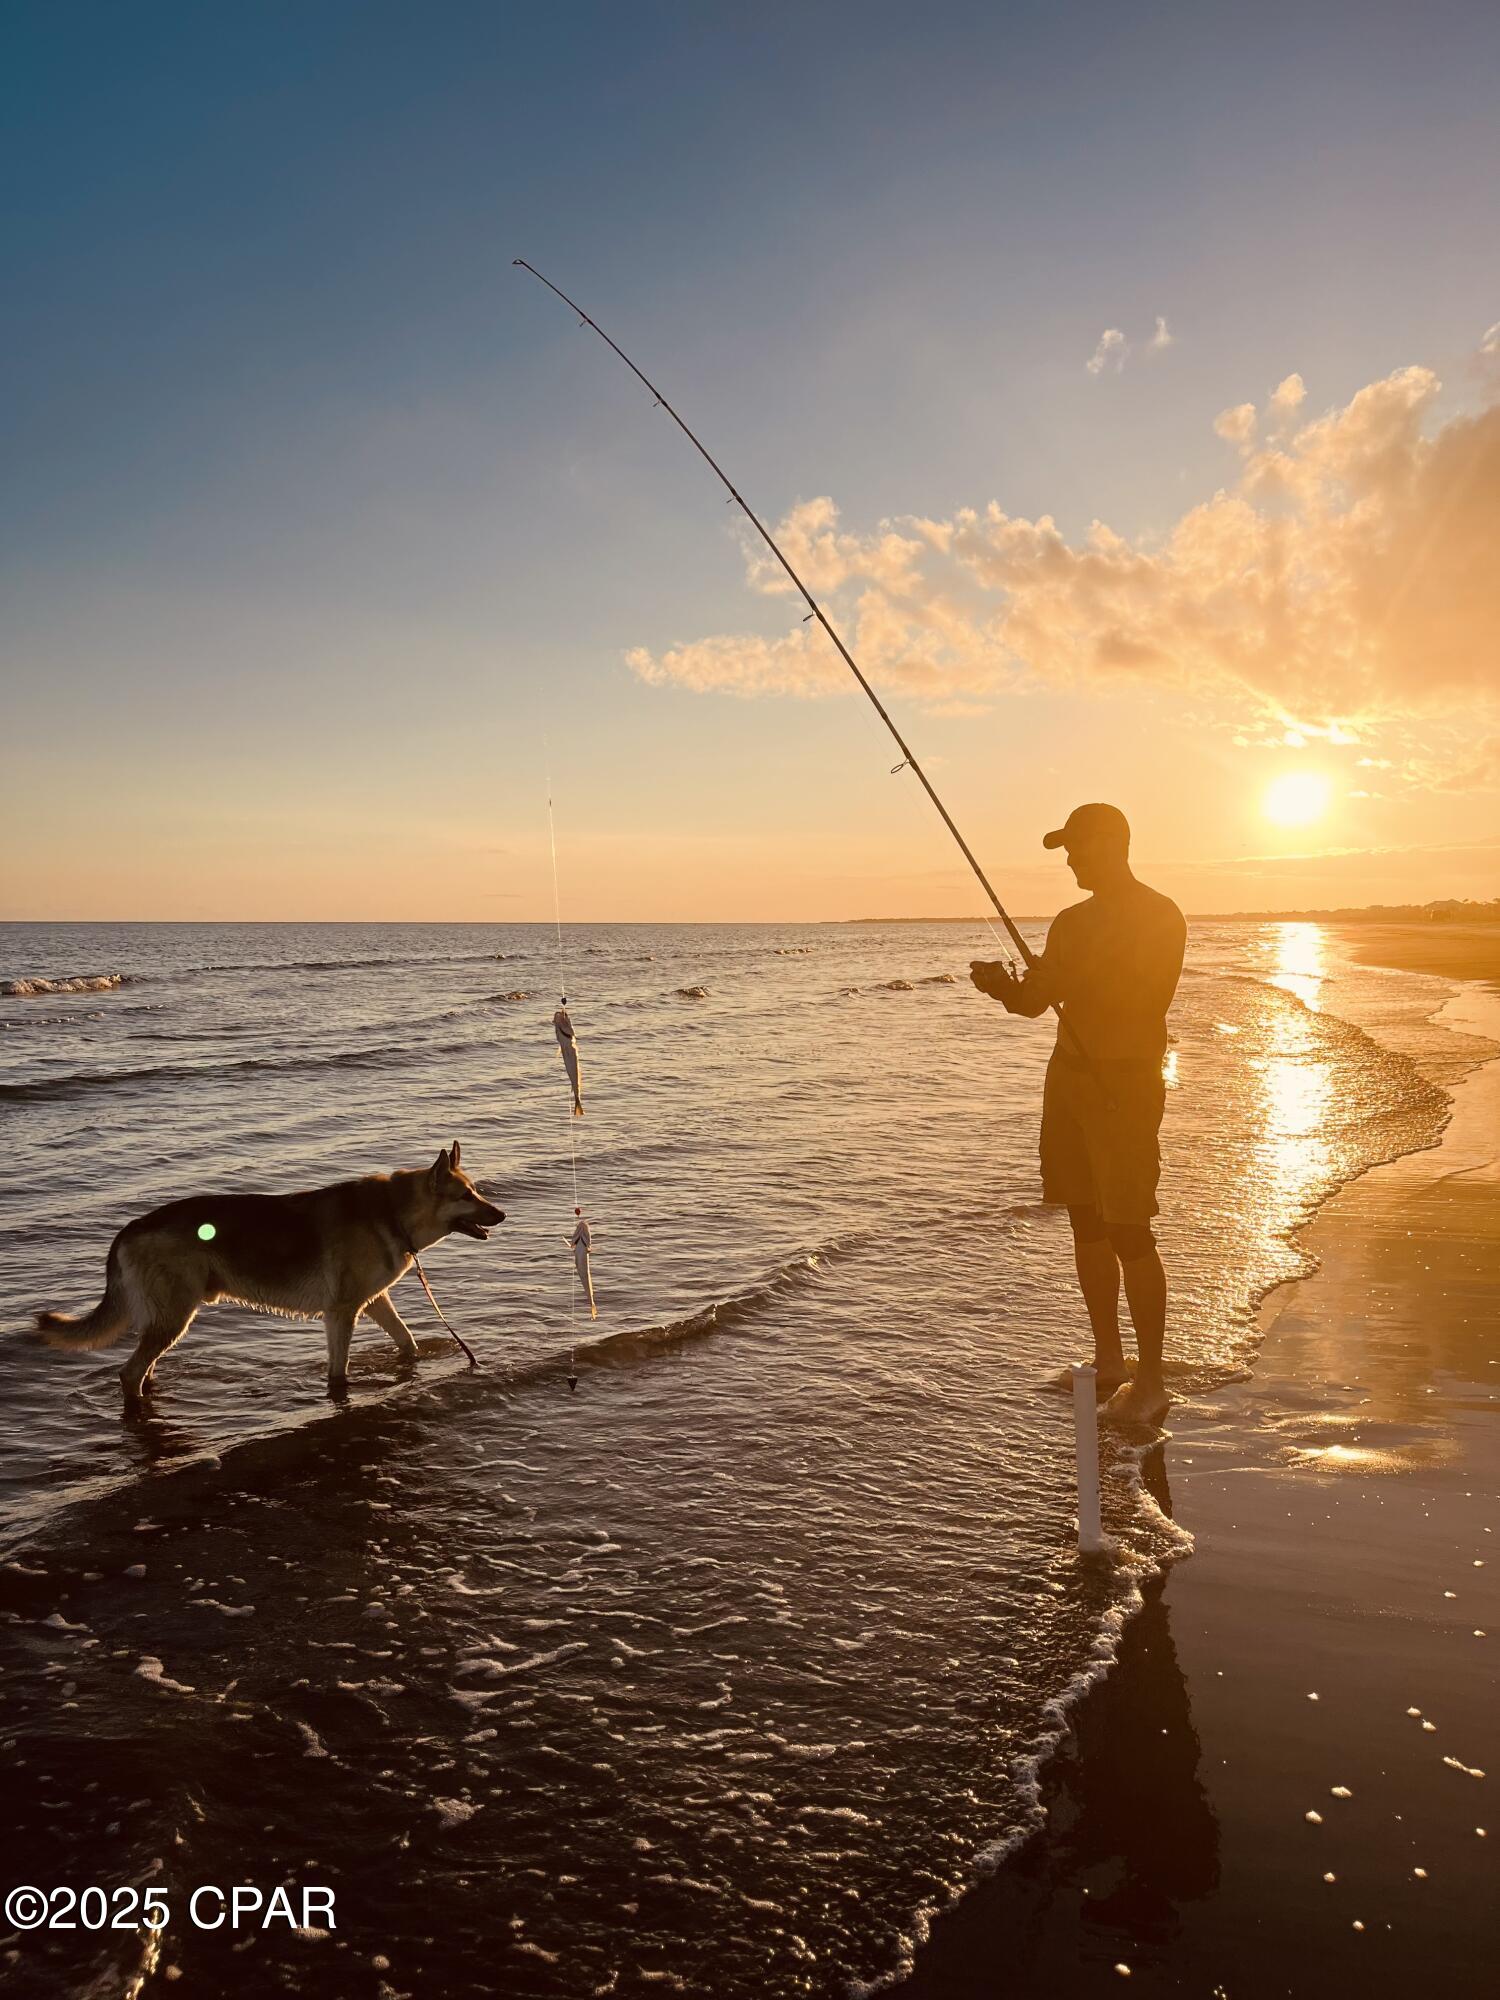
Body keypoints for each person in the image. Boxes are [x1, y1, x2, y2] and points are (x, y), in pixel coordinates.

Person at [970, 804, 1185, 1424]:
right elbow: (1034, 1005)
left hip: (1125, 1087)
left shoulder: (1160, 914)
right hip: (1067, 1085)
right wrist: (1005, 987)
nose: (1069, 860)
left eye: (1077, 848)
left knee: (1129, 1229)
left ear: (1113, 843)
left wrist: (1055, 978)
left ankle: (1151, 1380)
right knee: (1086, 1223)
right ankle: (1109, 1360)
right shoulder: (1070, 922)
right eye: (1066, 849)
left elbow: (1148, 998)